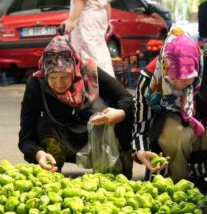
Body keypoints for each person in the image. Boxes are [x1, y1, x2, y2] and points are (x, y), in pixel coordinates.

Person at [132, 27, 207, 182]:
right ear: (164, 67)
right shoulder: (150, 81)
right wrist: (141, 152)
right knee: (173, 131)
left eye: (188, 78)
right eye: (174, 79)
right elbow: (141, 126)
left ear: (196, 66)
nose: (180, 84)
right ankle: (176, 179)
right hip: (173, 144)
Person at [18, 36, 134, 178]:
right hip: (61, 136)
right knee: (45, 127)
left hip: (96, 134)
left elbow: (127, 99)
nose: (59, 83)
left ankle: (117, 175)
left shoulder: (89, 73)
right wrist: (38, 153)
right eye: (53, 78)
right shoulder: (36, 84)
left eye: (65, 77)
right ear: (45, 74)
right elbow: (26, 135)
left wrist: (119, 113)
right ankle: (52, 175)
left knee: (124, 121)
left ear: (75, 71)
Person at [62, 0, 116, 77]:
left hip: (87, 19)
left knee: (91, 54)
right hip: (100, 17)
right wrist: (107, 21)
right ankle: (108, 82)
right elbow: (107, 4)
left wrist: (70, 20)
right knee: (101, 52)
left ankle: (103, 84)